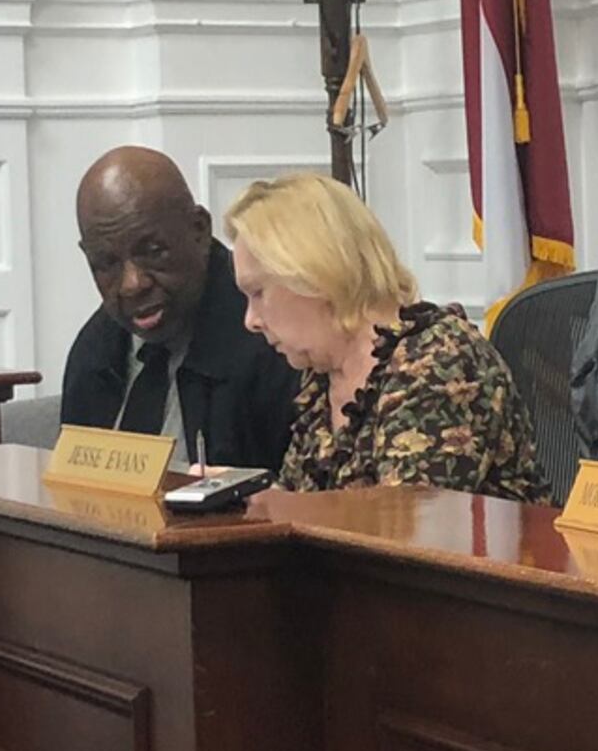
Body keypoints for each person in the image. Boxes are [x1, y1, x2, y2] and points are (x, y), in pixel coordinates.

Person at [228, 172, 546, 500]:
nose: (251, 321)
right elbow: (297, 505)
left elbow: (404, 517)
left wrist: (272, 505)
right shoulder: (323, 376)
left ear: (315, 275)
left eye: (258, 293)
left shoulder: (441, 359)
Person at [58, 147, 300, 476]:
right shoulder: (95, 351)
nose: (132, 284)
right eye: (106, 263)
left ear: (199, 230)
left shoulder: (270, 339)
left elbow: (300, 494)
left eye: (153, 252)